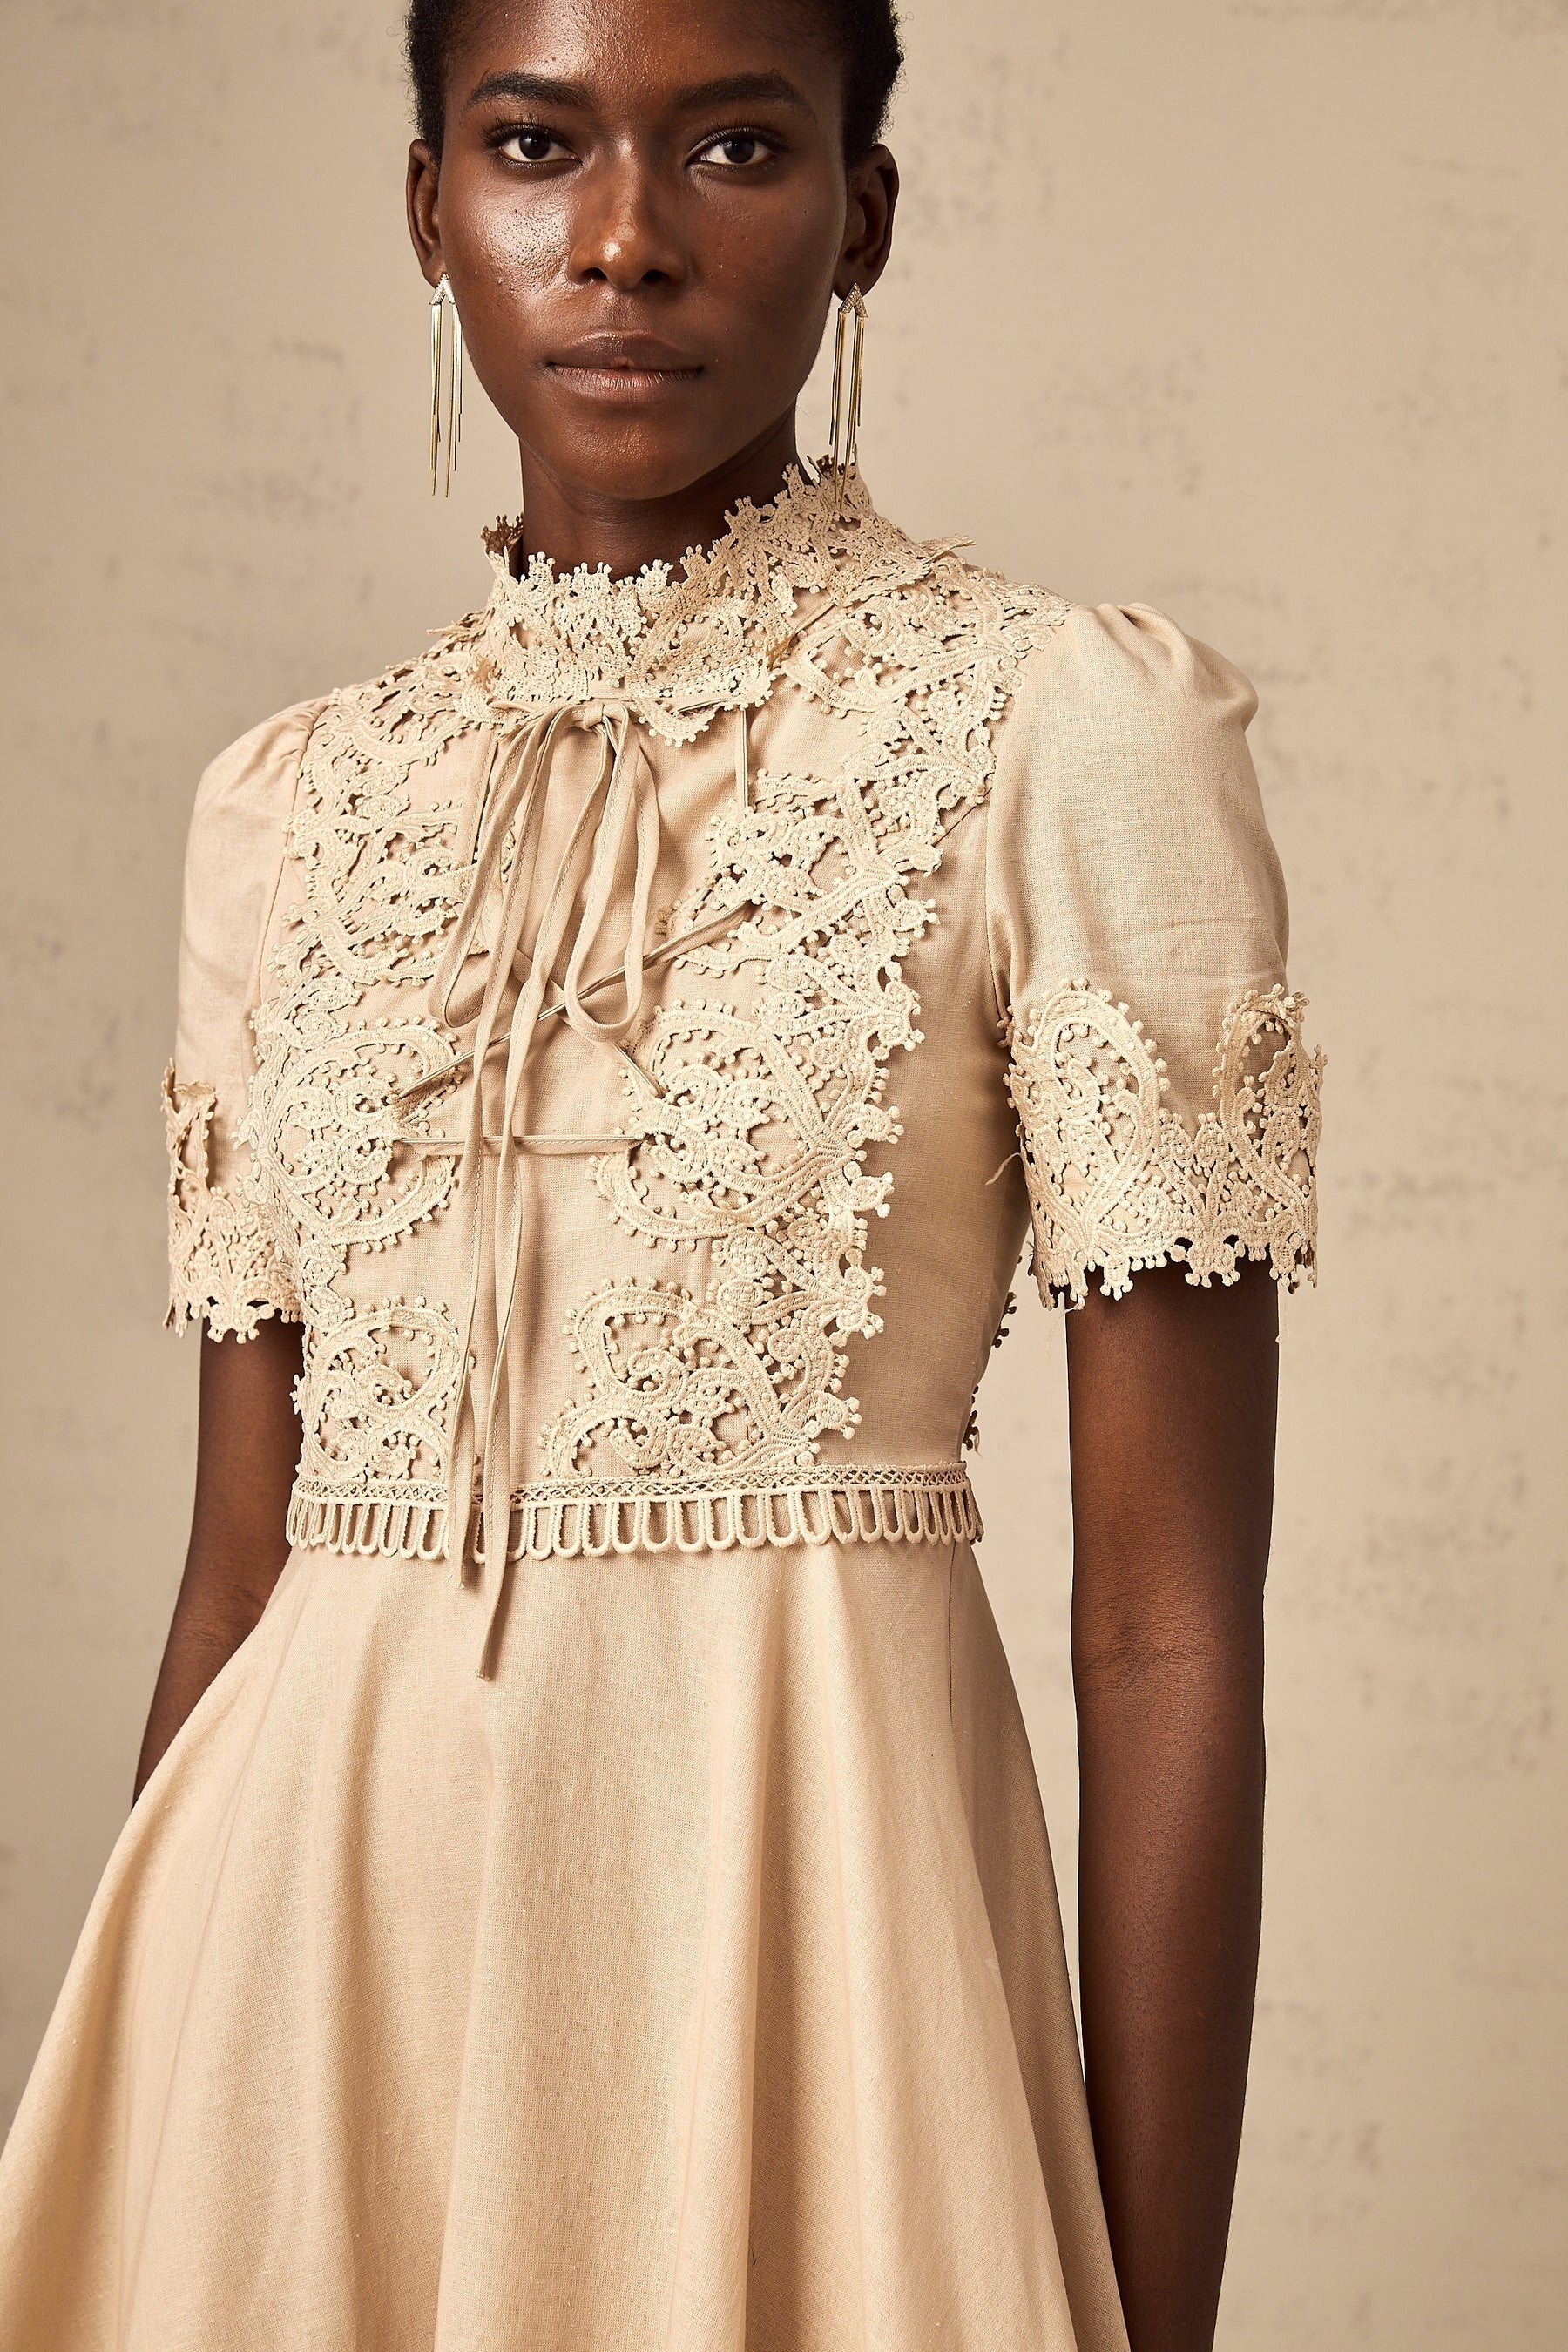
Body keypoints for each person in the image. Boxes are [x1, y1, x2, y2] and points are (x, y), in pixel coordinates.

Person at [0, 1, 1322, 2345]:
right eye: (533, 145)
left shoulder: (1066, 731)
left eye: (732, 148)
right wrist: (148, 2089)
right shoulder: (279, 809)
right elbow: (235, 1580)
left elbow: (1168, 1631)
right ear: (431, 207)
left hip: (806, 1984)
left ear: (863, 218)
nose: (620, 240)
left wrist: (1158, 2312)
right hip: (305, 2014)